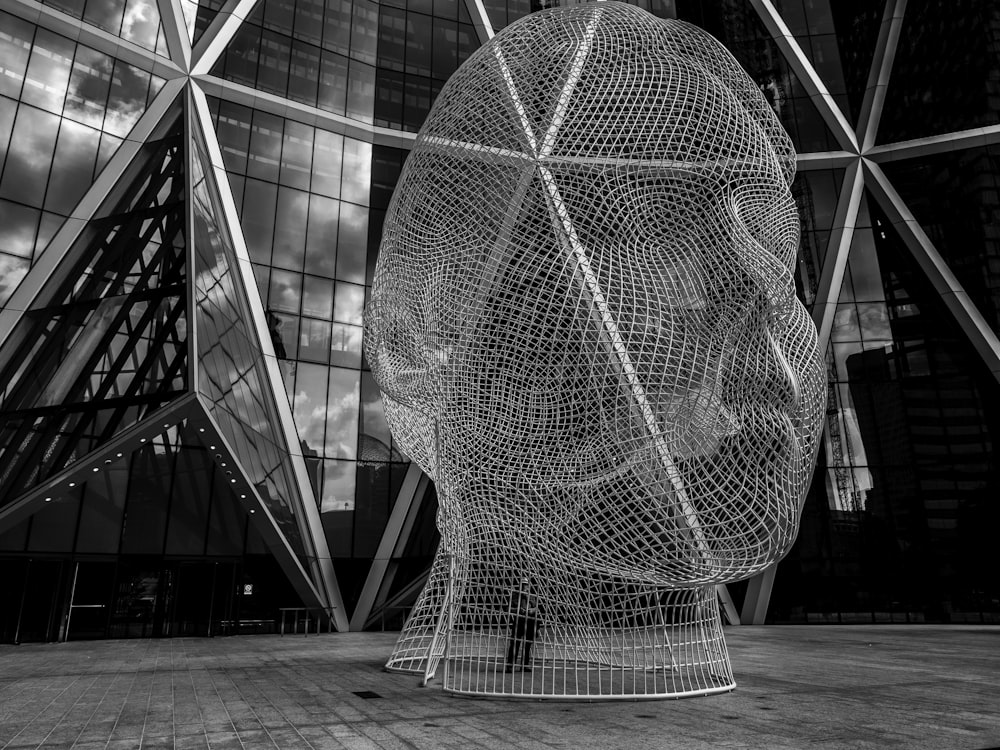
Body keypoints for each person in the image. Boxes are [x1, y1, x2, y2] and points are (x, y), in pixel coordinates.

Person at [505, 581, 538, 672]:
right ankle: (510, 665)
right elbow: (508, 608)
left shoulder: (531, 596)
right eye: (523, 584)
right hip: (519, 621)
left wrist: (531, 610)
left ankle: (525, 665)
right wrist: (518, 610)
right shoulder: (514, 595)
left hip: (530, 621)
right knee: (515, 643)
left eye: (526, 585)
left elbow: (536, 608)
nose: (525, 586)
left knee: (527, 644)